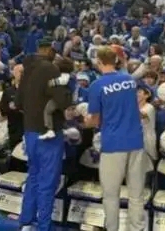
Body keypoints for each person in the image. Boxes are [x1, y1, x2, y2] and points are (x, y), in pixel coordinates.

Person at [84, 46, 146, 231]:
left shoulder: (97, 85)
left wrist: (82, 121)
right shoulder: (129, 80)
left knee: (111, 195)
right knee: (136, 194)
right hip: (136, 141)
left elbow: (94, 120)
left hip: (113, 144)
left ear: (98, 61)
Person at [17, 40, 73, 231]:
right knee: (48, 182)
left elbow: (18, 102)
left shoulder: (27, 70)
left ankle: (26, 222)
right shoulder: (50, 69)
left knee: (33, 176)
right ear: (48, 50)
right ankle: (43, 227)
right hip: (47, 135)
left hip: (30, 132)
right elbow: (62, 99)